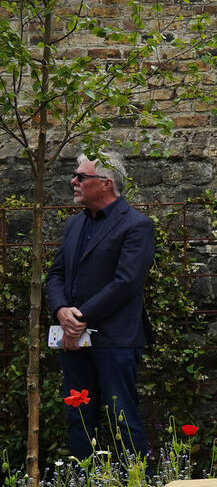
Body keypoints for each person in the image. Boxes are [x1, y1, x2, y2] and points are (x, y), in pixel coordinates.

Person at [46, 152, 154, 462]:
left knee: (123, 418)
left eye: (81, 177)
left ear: (105, 184)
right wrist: (61, 311)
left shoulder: (136, 225)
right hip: (73, 341)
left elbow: (126, 283)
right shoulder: (74, 225)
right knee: (78, 420)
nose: (73, 182)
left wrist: (78, 317)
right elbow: (55, 274)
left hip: (115, 340)